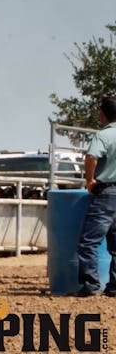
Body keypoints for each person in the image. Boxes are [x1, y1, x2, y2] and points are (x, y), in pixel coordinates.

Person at [76, 95, 116, 297]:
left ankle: (90, 284)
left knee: (89, 241)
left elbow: (92, 156)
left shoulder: (104, 136)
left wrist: (89, 180)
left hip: (107, 192)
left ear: (103, 113)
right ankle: (114, 286)